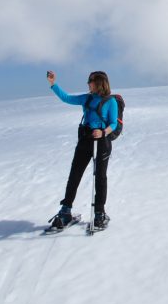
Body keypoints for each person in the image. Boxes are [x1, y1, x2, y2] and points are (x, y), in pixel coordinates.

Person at [45, 69, 118, 232]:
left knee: (100, 177)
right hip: (85, 140)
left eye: (90, 81)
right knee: (75, 175)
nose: (88, 83)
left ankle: (99, 213)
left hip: (102, 142)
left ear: (99, 82)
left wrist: (103, 132)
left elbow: (113, 123)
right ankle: (65, 211)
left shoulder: (110, 102)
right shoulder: (87, 98)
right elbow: (67, 98)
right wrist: (53, 84)